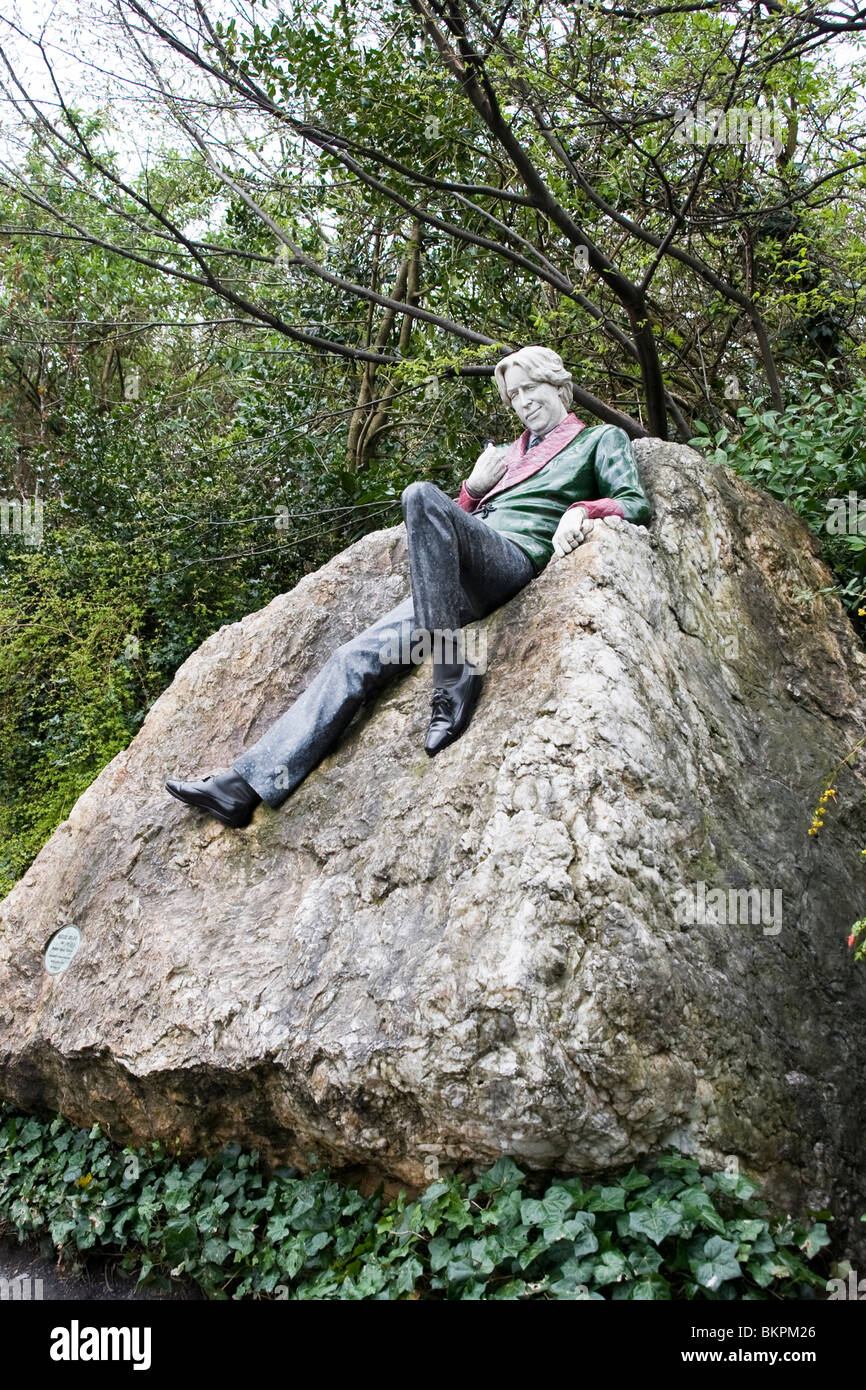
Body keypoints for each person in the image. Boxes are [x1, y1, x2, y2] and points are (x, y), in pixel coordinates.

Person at [165, 345, 651, 828]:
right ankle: (242, 787)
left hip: (513, 559)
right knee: (352, 658)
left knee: (419, 493)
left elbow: (634, 502)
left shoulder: (599, 440)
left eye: (532, 388)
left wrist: (583, 509)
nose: (524, 402)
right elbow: (439, 532)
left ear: (559, 386)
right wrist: (474, 490)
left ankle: (451, 676)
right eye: (515, 394)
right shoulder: (506, 456)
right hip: (452, 583)